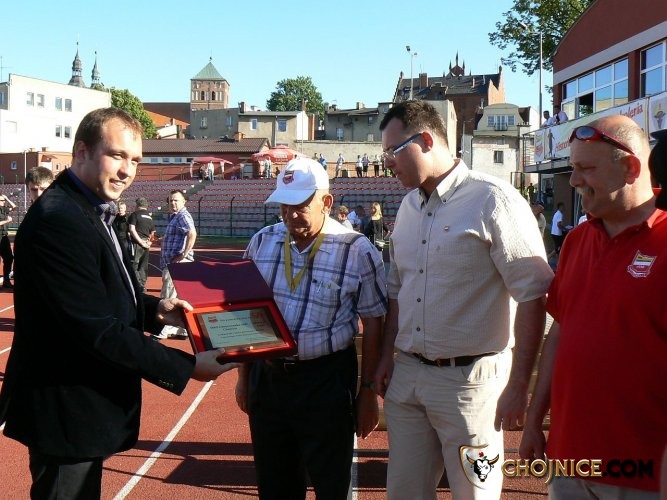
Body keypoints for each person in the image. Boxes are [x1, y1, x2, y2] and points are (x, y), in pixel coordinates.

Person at [0, 107, 237, 500]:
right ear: (81, 152)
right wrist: (187, 367)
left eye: (136, 160)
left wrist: (154, 311)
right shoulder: (60, 219)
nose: (128, 170)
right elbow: (93, 327)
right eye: (117, 155)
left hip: (80, 408)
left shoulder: (87, 208)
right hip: (66, 410)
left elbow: (103, 293)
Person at [374, 100, 553, 499]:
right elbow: (398, 290)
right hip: (409, 376)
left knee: (474, 494)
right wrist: (387, 357)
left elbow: (533, 293)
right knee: (403, 493)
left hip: (471, 385)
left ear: (425, 140)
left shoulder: (494, 200)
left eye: (392, 151)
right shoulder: (408, 206)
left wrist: (518, 384)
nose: (387, 163)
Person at [520, 115, 666, 498]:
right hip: (568, 462)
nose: (573, 180)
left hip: (644, 472)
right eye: (573, 168)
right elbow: (560, 333)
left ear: (631, 168)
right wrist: (534, 419)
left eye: (586, 168)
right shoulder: (576, 240)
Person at [235, 158, 388, 500]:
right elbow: (247, 311)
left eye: (300, 206)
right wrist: (244, 377)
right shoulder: (262, 241)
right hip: (268, 378)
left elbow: (374, 323)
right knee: (275, 487)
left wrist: (367, 393)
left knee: (331, 485)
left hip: (325, 382)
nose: (290, 215)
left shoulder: (356, 250)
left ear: (326, 202)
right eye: (284, 206)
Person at [159, 189, 197, 339]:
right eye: (171, 201)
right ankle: (183, 329)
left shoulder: (182, 215)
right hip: (176, 263)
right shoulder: (175, 217)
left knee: (168, 296)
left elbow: (192, 233)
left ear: (184, 201)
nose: (172, 203)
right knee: (181, 297)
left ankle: (164, 329)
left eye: (176, 200)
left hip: (176, 264)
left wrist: (184, 254)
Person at [128, 197, 156, 292]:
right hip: (146, 243)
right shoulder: (149, 217)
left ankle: (138, 286)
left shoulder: (134, 214)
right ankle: (143, 285)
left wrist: (140, 242)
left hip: (137, 243)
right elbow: (153, 232)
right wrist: (149, 243)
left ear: (137, 205)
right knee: (143, 266)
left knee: (134, 264)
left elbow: (132, 229)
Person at [0, 194, 16, 289]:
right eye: (1, 200)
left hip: (4, 237)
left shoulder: (4, 209)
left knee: (9, 258)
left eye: (4, 200)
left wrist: (7, 198)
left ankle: (6, 280)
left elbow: (14, 207)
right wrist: (7, 221)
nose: (3, 202)